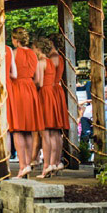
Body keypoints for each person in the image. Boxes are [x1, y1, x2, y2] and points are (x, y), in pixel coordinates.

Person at [8, 27, 43, 178]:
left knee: (17, 129)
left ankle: (23, 165)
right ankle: (28, 163)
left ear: (15, 40)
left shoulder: (14, 53)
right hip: (31, 89)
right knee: (28, 129)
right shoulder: (33, 54)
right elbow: (37, 79)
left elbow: (11, 74)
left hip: (17, 89)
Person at [34, 37, 67, 179]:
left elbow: (40, 82)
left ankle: (48, 164)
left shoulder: (46, 61)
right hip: (54, 92)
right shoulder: (53, 59)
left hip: (46, 93)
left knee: (46, 131)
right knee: (54, 131)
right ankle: (54, 162)